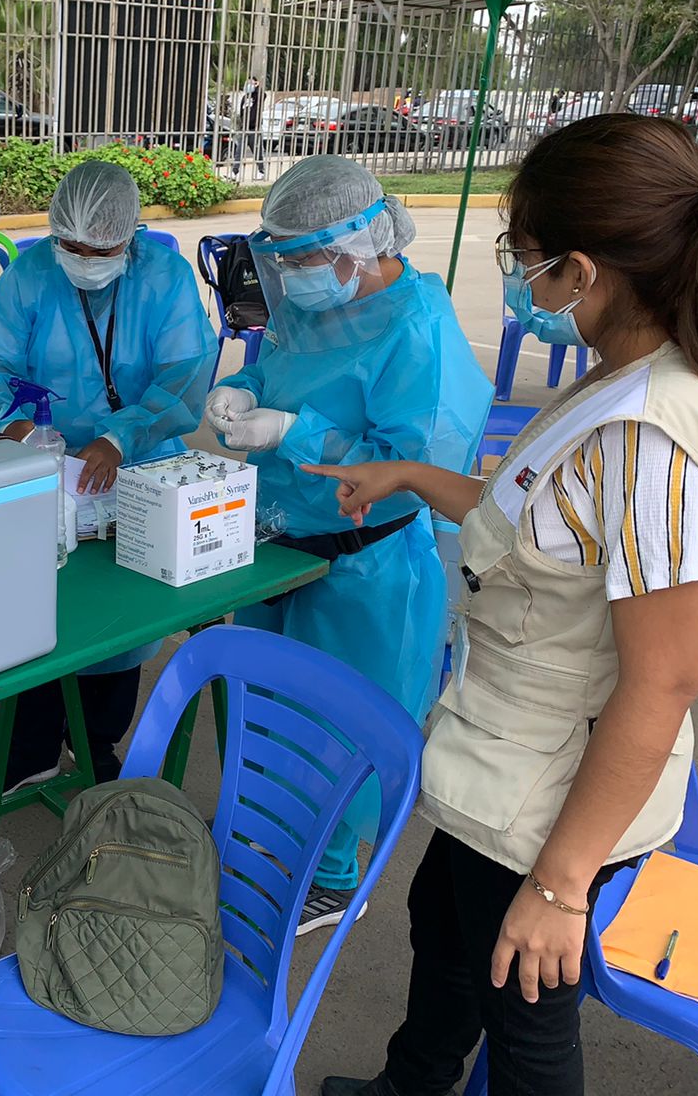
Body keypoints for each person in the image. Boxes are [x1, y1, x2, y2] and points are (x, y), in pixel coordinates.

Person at [312, 114, 698, 1096]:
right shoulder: (623, 384)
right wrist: (407, 473)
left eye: (524, 261)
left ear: (581, 270)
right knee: (444, 928)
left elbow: (662, 680)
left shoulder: (658, 437)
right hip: (502, 762)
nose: (520, 283)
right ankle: (413, 1085)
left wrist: (558, 884)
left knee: (525, 1012)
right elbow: (528, 518)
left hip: (551, 802)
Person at [205, 156, 491, 935]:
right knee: (269, 703)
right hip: (280, 534)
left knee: (343, 727)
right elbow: (282, 363)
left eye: (304, 257)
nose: (293, 274)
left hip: (370, 557)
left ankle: (333, 875)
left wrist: (295, 432)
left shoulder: (419, 328)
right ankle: (266, 839)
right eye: (284, 257)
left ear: (359, 244)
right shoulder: (313, 300)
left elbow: (412, 464)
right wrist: (250, 390)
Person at [0, 160, 218, 797]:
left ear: (129, 236)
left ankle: (96, 739)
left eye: (101, 249)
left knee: (117, 615)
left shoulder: (164, 278)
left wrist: (116, 437)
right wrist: (22, 431)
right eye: (71, 247)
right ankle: (27, 749)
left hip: (137, 466)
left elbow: (185, 373)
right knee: (31, 600)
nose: (86, 259)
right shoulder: (31, 275)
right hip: (41, 468)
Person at [234, 75, 268, 181]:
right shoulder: (245, 98)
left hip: (255, 129)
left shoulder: (258, 96)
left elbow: (263, 95)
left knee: (258, 152)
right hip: (245, 129)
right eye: (247, 83)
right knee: (239, 151)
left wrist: (257, 87)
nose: (248, 85)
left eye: (251, 83)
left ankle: (261, 171)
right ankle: (234, 172)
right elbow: (241, 113)